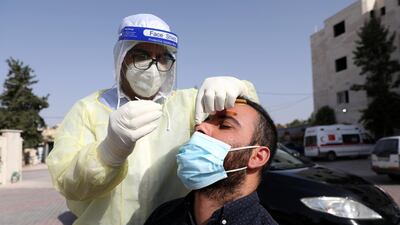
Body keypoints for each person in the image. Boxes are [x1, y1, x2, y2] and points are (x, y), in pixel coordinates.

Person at [46, 14, 259, 225]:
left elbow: (249, 126)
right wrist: (109, 152)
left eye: (163, 58)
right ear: (121, 58)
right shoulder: (88, 109)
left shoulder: (188, 104)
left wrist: (240, 90)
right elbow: (68, 184)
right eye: (141, 56)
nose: (153, 66)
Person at [144, 98, 279, 225]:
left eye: (224, 125)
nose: (199, 127)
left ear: (257, 157)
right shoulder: (163, 215)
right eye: (205, 120)